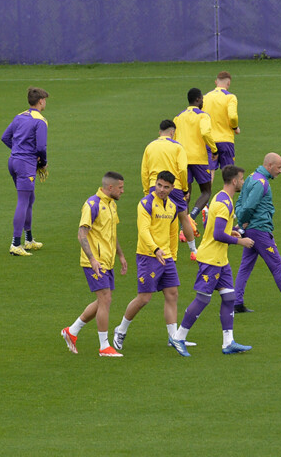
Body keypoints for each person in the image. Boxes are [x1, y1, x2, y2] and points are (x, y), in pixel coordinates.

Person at [171, 165, 254, 355]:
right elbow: (217, 234)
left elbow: (216, 227)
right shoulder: (224, 203)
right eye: (241, 179)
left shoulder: (220, 196)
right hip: (211, 259)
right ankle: (178, 337)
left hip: (220, 260)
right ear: (234, 181)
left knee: (229, 297)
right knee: (202, 299)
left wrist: (229, 231)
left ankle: (228, 342)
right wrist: (239, 240)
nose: (242, 182)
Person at [113, 172, 191, 356]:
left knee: (172, 294)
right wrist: (156, 250)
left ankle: (173, 337)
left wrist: (172, 254)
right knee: (144, 298)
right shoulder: (145, 204)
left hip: (166, 256)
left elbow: (173, 232)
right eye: (159, 185)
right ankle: (121, 330)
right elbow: (144, 231)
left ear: (172, 188)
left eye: (166, 187)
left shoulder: (172, 206)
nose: (162, 190)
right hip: (148, 256)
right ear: (155, 184)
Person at [232, 153, 281, 313]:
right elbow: (248, 207)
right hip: (260, 231)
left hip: (250, 230)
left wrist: (241, 221)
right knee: (277, 265)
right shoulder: (261, 183)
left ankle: (237, 303)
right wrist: (243, 219)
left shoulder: (251, 177)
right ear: (269, 165)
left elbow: (240, 201)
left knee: (245, 267)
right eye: (279, 167)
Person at [61, 172, 128, 357]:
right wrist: (92, 259)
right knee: (105, 300)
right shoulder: (92, 204)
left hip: (107, 261)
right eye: (120, 188)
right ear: (110, 188)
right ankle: (104, 346)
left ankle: (72, 331)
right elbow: (81, 234)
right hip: (95, 262)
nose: (123, 191)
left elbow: (111, 234)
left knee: (103, 301)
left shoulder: (111, 205)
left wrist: (121, 256)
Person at [1, 87, 49, 256]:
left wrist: (18, 150)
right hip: (25, 165)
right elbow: (41, 147)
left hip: (13, 162)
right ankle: (15, 244)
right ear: (41, 100)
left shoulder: (19, 116)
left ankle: (28, 240)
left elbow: (5, 137)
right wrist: (42, 163)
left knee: (29, 198)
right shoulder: (40, 121)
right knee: (23, 201)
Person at [141, 120, 197, 259]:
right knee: (183, 217)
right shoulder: (177, 147)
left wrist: (146, 191)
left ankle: (154, 249)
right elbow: (183, 170)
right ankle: (194, 250)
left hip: (155, 186)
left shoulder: (150, 146)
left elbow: (144, 171)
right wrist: (184, 189)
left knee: (154, 219)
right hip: (174, 186)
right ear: (172, 132)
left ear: (160, 132)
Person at [174, 88, 218, 224]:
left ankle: (184, 226)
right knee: (206, 191)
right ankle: (191, 217)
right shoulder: (203, 116)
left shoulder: (178, 117)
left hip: (182, 159)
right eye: (202, 100)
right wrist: (214, 149)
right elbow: (205, 133)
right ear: (198, 99)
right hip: (199, 159)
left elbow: (174, 139)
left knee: (186, 193)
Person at [202, 71, 240, 183]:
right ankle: (227, 198)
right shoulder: (230, 97)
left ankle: (206, 199)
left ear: (216, 82)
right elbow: (232, 117)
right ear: (228, 83)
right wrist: (235, 127)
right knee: (228, 173)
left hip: (209, 140)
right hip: (225, 140)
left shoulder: (205, 98)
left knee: (210, 172)